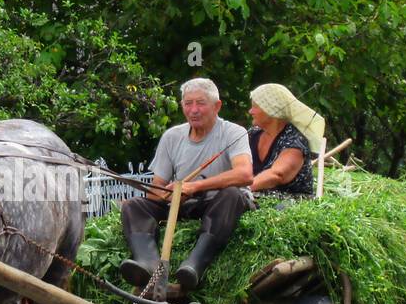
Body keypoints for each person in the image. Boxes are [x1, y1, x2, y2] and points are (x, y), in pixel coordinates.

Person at [120, 78, 253, 292]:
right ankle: (148, 264)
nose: (193, 110)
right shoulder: (172, 137)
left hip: (219, 205)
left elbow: (245, 174)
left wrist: (194, 187)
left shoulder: (233, 132)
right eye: (188, 103)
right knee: (133, 205)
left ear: (216, 106)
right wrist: (167, 195)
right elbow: (157, 189)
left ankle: (194, 265)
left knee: (232, 194)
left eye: (200, 103)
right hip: (185, 204)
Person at [246, 83, 325, 197]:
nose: (250, 111)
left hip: (287, 202)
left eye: (255, 107)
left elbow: (278, 175)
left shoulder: (294, 139)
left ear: (271, 110)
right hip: (252, 196)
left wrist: (244, 188)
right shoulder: (252, 134)